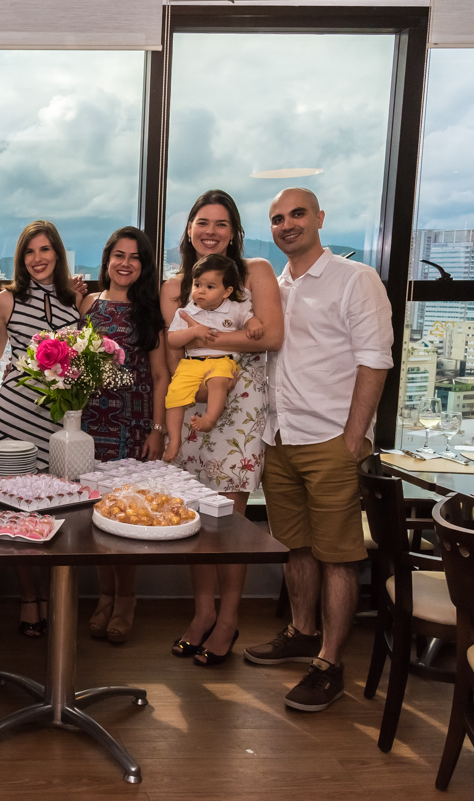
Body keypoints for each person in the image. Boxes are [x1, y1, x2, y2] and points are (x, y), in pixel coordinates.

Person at [244, 187, 392, 711]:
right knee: (296, 545)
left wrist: (354, 439)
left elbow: (375, 360)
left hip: (331, 438)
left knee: (338, 555)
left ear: (320, 218)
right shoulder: (274, 288)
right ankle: (302, 631)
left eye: (298, 214)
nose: (287, 224)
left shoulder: (356, 279)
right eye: (278, 218)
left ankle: (329, 663)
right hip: (280, 437)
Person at [161, 190, 284, 667]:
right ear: (189, 229)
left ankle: (228, 619)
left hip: (241, 408)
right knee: (195, 516)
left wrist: (206, 339)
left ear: (234, 232)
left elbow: (271, 336)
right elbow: (171, 352)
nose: (210, 231)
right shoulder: (175, 286)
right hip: (194, 404)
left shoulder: (256, 272)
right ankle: (202, 613)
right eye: (201, 222)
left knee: (229, 522)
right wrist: (200, 349)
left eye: (221, 223)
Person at [0, 220, 84, 637]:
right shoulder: (5, 301)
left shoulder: (74, 303)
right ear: (21, 258)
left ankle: (54, 597)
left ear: (58, 255)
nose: (38, 258)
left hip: (56, 420)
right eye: (30, 251)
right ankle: (29, 598)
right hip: (13, 414)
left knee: (54, 512)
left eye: (46, 250)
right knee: (16, 512)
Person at [80, 226, 169, 645]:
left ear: (143, 265)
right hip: (90, 423)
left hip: (132, 424)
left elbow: (158, 374)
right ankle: (104, 596)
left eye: (134, 257)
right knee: (98, 513)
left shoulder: (149, 311)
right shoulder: (89, 304)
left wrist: (157, 428)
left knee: (125, 514)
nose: (125, 263)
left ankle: (127, 599)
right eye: (119, 254)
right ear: (107, 259)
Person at [163, 254, 264, 462]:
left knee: (218, 381)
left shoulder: (234, 308)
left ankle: (209, 419)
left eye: (210, 287)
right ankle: (174, 440)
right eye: (197, 284)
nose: (201, 291)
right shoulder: (185, 312)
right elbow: (172, 340)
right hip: (191, 363)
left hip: (222, 360)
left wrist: (254, 325)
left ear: (226, 291)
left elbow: (250, 319)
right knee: (174, 395)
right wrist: (193, 332)